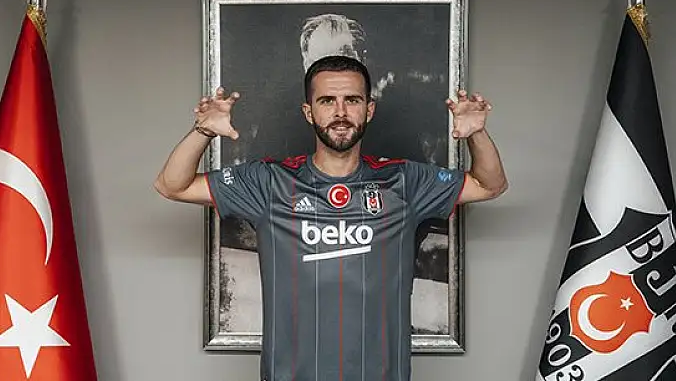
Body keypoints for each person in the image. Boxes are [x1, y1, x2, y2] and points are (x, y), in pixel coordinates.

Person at [154, 55, 508, 381]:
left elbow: (489, 185)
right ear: (309, 112)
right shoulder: (269, 182)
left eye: (352, 100)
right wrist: (203, 131)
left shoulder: (404, 181)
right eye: (327, 101)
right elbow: (172, 185)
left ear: (369, 109)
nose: (340, 112)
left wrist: (476, 133)